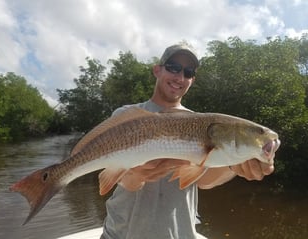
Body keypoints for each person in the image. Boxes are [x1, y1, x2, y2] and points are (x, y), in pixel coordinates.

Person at [100, 43, 274, 239]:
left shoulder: (200, 124)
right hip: (122, 234)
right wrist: (134, 177)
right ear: (157, 70)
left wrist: (233, 166)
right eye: (173, 67)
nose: (179, 77)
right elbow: (111, 171)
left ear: (192, 80)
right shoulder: (127, 116)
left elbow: (204, 181)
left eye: (188, 72)